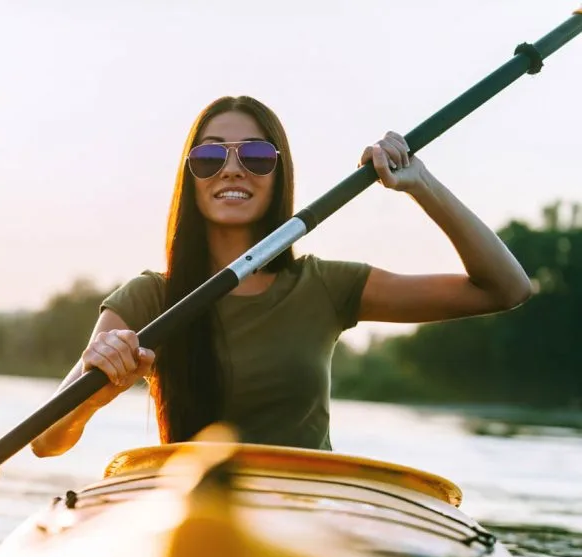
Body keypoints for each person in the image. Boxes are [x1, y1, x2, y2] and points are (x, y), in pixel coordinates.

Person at [31, 95, 532, 456]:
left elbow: (504, 288)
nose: (232, 168)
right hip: (196, 519)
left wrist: (420, 183)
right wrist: (98, 392)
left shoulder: (328, 288)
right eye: (210, 156)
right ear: (191, 179)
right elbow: (46, 441)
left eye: (254, 155)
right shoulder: (148, 299)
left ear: (280, 173)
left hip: (306, 513)